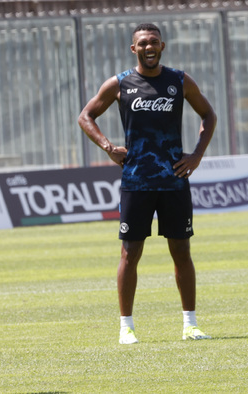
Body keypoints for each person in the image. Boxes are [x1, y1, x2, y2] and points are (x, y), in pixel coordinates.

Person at [78, 23, 217, 344]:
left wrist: (196, 155)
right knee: (130, 253)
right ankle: (126, 327)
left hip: (174, 180)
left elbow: (208, 115)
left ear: (162, 46)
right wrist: (108, 147)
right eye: (143, 43)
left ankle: (191, 325)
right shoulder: (121, 83)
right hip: (136, 181)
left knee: (182, 251)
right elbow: (86, 115)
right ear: (134, 49)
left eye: (154, 42)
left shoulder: (179, 81)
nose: (149, 47)